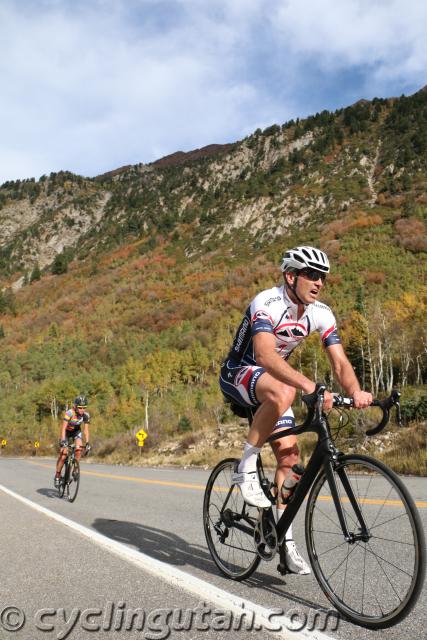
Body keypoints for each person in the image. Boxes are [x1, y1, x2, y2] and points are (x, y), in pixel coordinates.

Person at [219, 245, 372, 574]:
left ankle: (284, 541)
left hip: (274, 386)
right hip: (238, 373)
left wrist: (356, 392)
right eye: (312, 275)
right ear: (291, 276)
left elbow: (339, 362)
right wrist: (308, 385)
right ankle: (245, 467)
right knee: (284, 390)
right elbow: (264, 355)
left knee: (290, 460)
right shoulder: (267, 302)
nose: (319, 282)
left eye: (323, 277)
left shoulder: (321, 313)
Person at [54, 395, 91, 487]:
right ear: (75, 406)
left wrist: (87, 443)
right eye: (80, 407)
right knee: (63, 455)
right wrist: (63, 441)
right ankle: (57, 475)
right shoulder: (69, 413)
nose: (82, 410)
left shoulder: (86, 415)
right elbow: (63, 428)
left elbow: (86, 430)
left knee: (79, 450)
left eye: (84, 407)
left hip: (76, 432)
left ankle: (75, 470)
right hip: (66, 432)